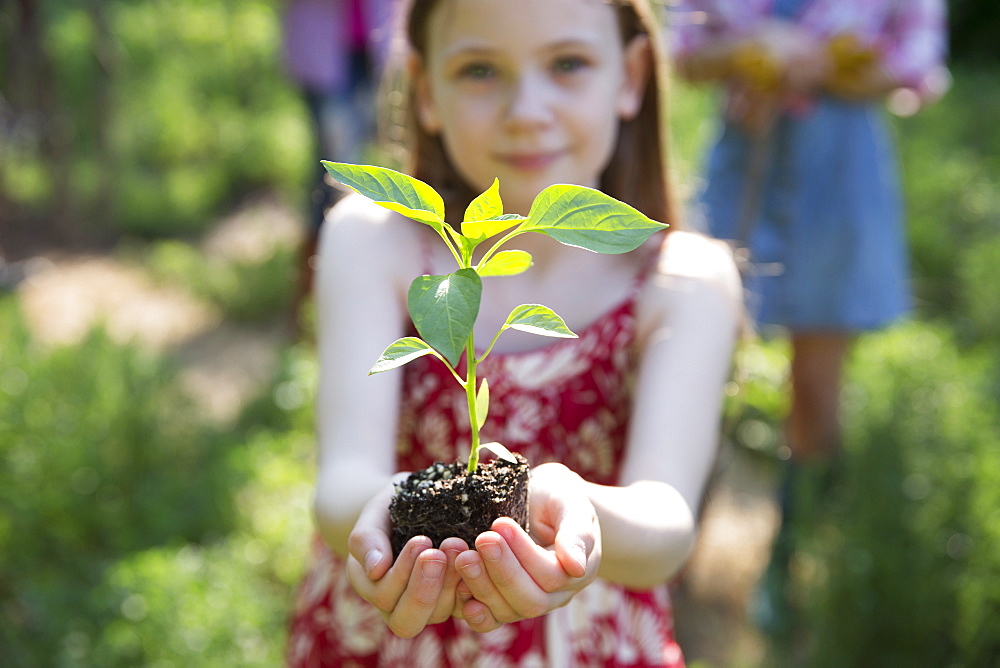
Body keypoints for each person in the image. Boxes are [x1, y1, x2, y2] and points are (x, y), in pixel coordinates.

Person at [286, 0, 743, 665]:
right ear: (426, 92)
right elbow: (343, 481)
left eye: (567, 63)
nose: (527, 109)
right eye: (479, 70)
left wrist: (562, 504)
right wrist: (395, 511)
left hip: (585, 641)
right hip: (383, 630)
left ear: (631, 77)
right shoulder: (373, 239)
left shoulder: (681, 280)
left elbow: (666, 524)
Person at [670, 0, 949, 635]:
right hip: (746, 152)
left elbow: (917, 61)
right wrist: (751, 53)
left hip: (841, 162)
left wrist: (820, 63)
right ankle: (671, 551)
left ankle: (786, 567)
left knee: (817, 388)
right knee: (696, 360)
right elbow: (682, 47)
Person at [281, 0, 397, 326]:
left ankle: (347, 302)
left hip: (381, 45)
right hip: (321, 47)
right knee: (335, 174)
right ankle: (315, 303)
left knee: (376, 171)